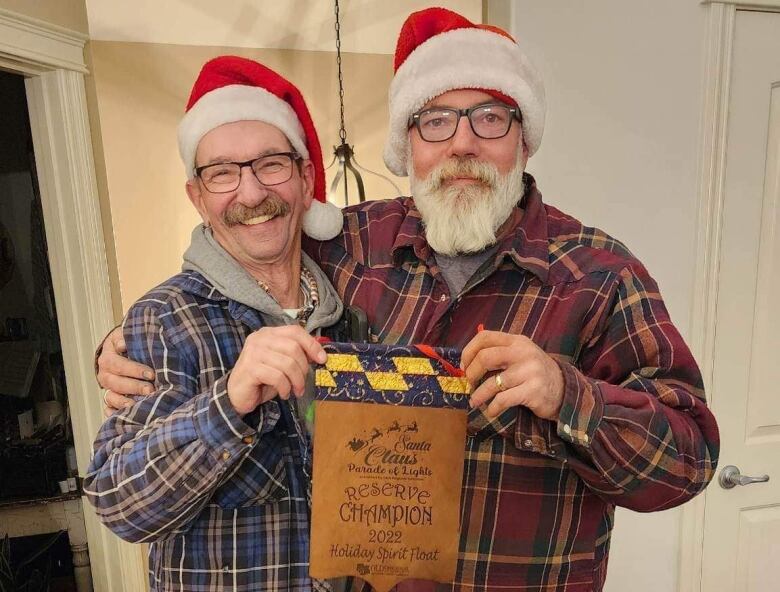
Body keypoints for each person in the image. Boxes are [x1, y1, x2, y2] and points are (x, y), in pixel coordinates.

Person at [96, 8, 720, 592]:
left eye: (490, 118)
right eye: (436, 121)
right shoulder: (349, 247)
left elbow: (688, 462)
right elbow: (248, 259)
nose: (462, 144)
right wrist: (125, 343)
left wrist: (568, 395)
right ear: (409, 145)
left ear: (523, 139)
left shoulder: (600, 274)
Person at [83, 56, 347, 592]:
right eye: (222, 173)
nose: (251, 194)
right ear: (198, 197)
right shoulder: (164, 321)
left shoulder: (354, 309)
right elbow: (119, 504)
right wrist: (228, 402)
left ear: (305, 178)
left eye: (271, 164)